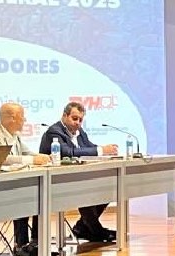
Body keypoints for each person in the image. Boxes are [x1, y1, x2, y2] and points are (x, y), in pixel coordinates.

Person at [0, 101, 53, 256]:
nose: (24, 121)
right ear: (11, 118)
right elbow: (0, 159)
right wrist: (32, 161)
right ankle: (21, 245)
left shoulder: (15, 136)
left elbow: (27, 153)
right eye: (22, 117)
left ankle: (36, 243)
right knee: (25, 198)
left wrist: (43, 157)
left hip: (11, 187)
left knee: (40, 196)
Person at [39, 101, 119, 243]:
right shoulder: (54, 131)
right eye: (74, 118)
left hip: (76, 179)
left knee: (107, 189)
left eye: (81, 120)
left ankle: (82, 228)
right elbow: (68, 153)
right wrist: (100, 150)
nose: (78, 123)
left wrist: (107, 152)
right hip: (55, 182)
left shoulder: (80, 132)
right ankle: (96, 231)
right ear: (64, 116)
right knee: (85, 191)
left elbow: (89, 147)